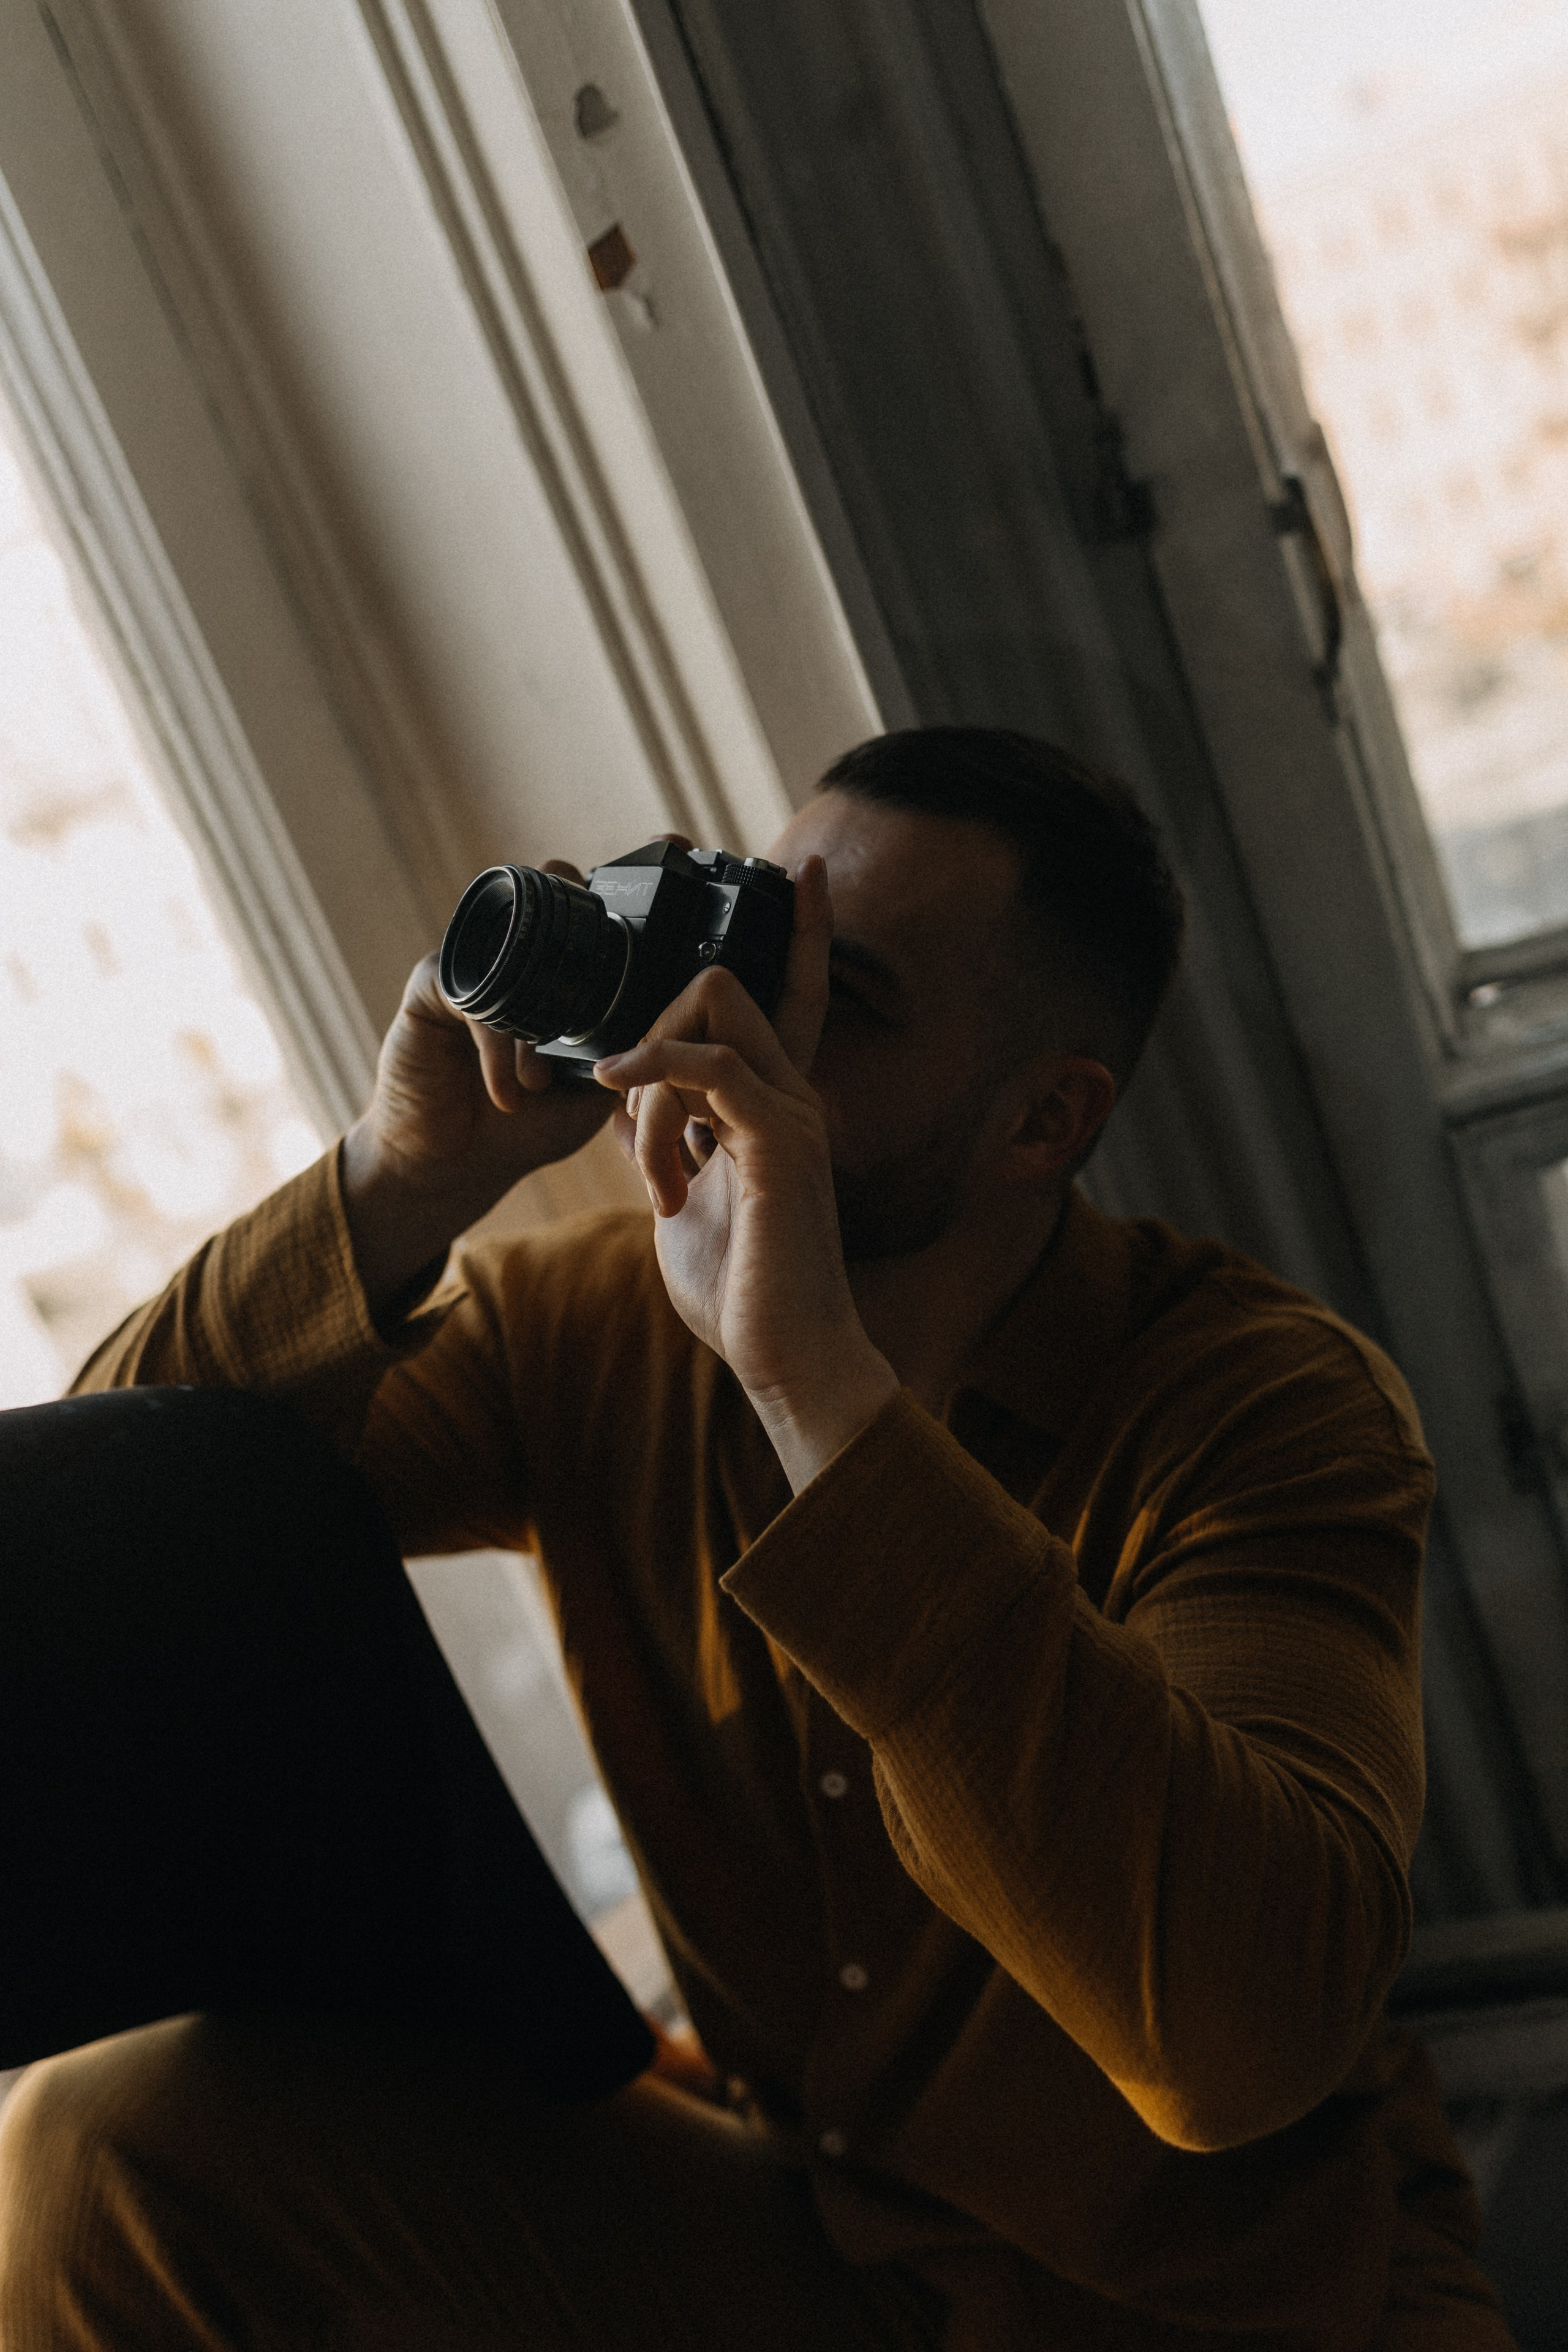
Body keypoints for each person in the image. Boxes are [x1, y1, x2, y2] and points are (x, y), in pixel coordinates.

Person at [0, 728, 1512, 2350]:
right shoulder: (596, 1333)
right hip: (816, 2242)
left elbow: (1237, 2041)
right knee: (107, 2149)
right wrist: (403, 1176)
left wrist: (815, 1388)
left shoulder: (1265, 1407)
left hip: (1215, 2300)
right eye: (756, 941)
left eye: (836, 997)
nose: (736, 1022)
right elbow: (106, 1532)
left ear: (1042, 1121)